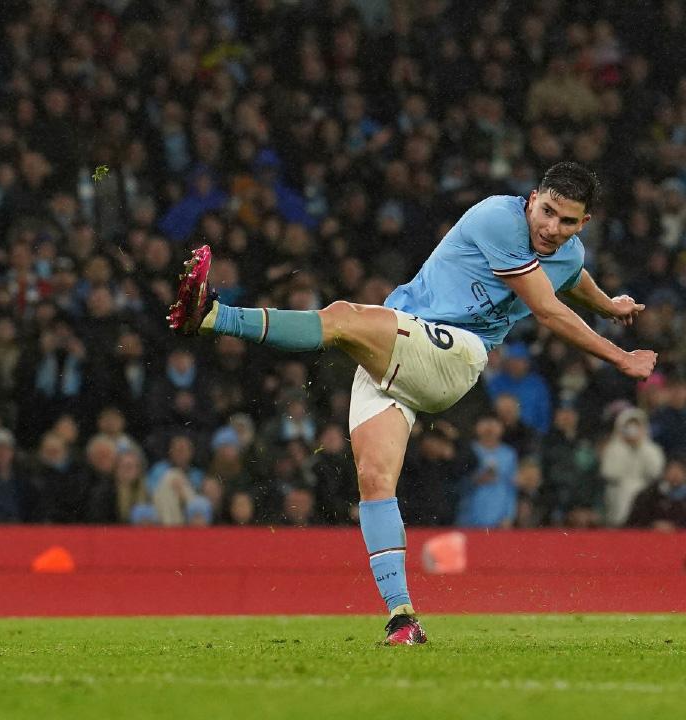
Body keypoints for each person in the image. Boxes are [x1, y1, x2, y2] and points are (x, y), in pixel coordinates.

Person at [168, 162, 656, 645]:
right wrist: (615, 329)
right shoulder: (499, 218)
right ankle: (402, 619)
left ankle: (213, 316)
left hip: (454, 354)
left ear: (582, 223)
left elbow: (565, 286)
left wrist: (611, 319)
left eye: (566, 221)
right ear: (532, 198)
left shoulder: (564, 250)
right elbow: (558, 294)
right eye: (547, 211)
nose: (551, 228)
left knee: (342, 317)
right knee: (375, 481)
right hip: (398, 346)